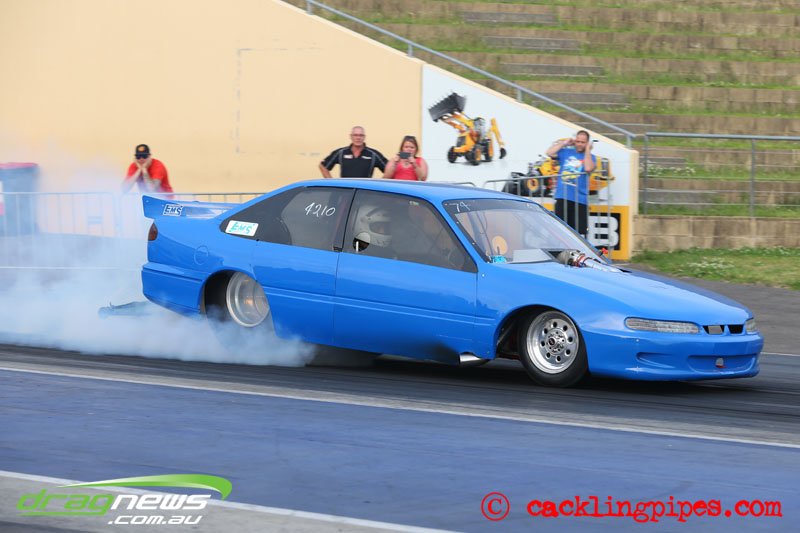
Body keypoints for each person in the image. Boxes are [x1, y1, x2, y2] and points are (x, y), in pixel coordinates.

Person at [545, 130, 596, 237]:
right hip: (563, 197)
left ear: (587, 143)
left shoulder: (591, 157)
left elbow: (588, 168)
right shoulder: (566, 152)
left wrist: (588, 150)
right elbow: (549, 152)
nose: (579, 144)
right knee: (560, 231)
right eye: (578, 141)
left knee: (578, 234)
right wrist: (565, 143)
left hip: (579, 200)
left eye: (583, 142)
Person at [319, 126, 387, 178]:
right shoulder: (341, 152)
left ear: (364, 137)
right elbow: (323, 166)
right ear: (350, 136)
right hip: (346, 190)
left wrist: (379, 186)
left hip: (364, 190)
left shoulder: (373, 154)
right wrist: (333, 184)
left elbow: (389, 169)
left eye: (361, 135)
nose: (358, 138)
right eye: (355, 135)